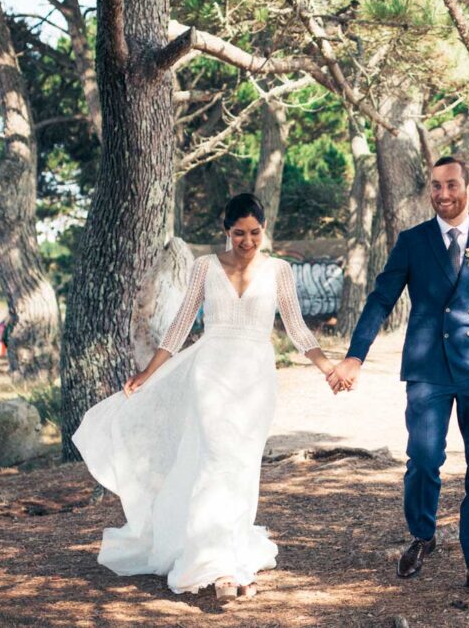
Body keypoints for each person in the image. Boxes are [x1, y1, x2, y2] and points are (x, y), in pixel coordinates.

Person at [72, 193, 335, 602]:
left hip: (256, 379)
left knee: (243, 467)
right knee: (215, 461)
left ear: (263, 230)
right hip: (211, 374)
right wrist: (147, 372)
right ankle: (216, 566)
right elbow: (179, 326)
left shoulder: (279, 270)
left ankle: (233, 555)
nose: (247, 241)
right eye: (238, 233)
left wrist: (328, 368)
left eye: (254, 233)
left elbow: (298, 329)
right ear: (224, 230)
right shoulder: (205, 267)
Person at [328, 155, 469, 594]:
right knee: (422, 461)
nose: (443, 194)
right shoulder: (413, 241)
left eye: (451, 185)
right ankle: (422, 536)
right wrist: (355, 356)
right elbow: (381, 299)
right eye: (435, 186)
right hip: (428, 369)